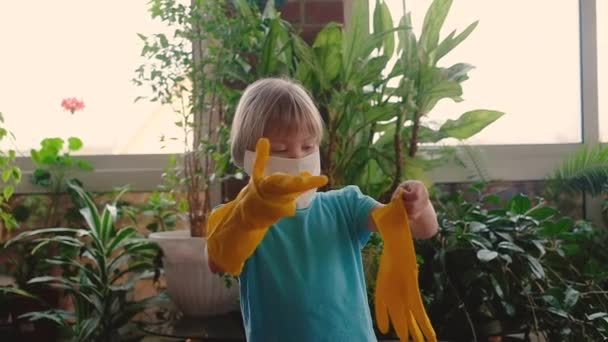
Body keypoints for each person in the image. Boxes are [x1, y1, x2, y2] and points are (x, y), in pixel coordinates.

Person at [205, 77, 439, 342]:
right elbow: (218, 262)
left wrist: (418, 203)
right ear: (247, 156)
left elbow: (422, 229)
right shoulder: (235, 218)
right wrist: (250, 216)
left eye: (308, 146)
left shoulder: (345, 206)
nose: (297, 157)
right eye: (280, 150)